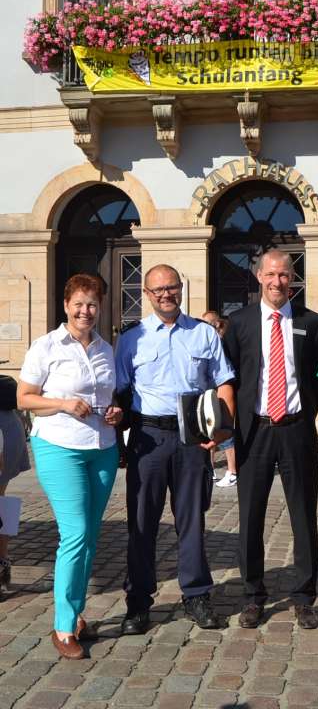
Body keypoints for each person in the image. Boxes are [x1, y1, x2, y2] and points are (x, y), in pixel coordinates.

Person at [115, 264, 235, 635]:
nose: (166, 294)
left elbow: (225, 382)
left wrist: (223, 431)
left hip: (192, 440)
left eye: (172, 287)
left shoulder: (203, 333)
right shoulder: (131, 339)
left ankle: (196, 595)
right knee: (141, 523)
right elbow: (119, 390)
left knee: (192, 522)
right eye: (158, 290)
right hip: (148, 438)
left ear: (181, 289)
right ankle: (138, 604)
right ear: (147, 295)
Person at [16, 274, 123, 659]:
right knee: (75, 534)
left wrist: (114, 413)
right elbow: (24, 398)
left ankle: (76, 614)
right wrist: (62, 403)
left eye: (92, 304)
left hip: (103, 448)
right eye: (79, 303)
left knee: (90, 537)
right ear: (66, 305)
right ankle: (63, 627)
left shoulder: (105, 349)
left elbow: (109, 397)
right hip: (59, 447)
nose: (86, 311)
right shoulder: (46, 346)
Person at [222, 249, 318, 630]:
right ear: (258, 276)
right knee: (250, 517)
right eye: (271, 274)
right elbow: (229, 379)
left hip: (296, 429)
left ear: (292, 278)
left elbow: (317, 379)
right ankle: (253, 596)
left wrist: (305, 416)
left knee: (303, 516)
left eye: (284, 275)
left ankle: (304, 596)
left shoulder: (312, 322)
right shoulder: (239, 322)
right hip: (254, 432)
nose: (278, 281)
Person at [0, 374, 31, 597]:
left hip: (4, 431)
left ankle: (2, 564)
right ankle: (3, 563)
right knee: (1, 501)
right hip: (9, 427)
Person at [202, 310, 236, 488]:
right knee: (208, 433)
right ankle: (211, 468)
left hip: (218, 395)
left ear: (217, 325)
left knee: (224, 433)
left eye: (208, 324)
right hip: (208, 393)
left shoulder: (221, 342)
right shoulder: (209, 341)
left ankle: (232, 470)